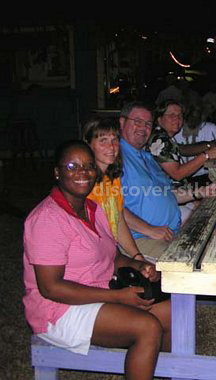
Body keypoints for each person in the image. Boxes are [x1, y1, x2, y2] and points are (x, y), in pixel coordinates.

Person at [23, 140, 171, 379]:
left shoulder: (93, 209)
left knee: (169, 312)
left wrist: (139, 265)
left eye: (89, 166)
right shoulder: (47, 219)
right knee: (147, 326)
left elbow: (113, 256)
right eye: (73, 165)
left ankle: (158, 368)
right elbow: (51, 288)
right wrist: (118, 297)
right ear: (57, 173)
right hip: (59, 311)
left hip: (99, 291)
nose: (83, 172)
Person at [119, 101, 215, 260]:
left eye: (148, 123)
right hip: (142, 238)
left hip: (171, 232)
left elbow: (168, 193)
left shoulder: (147, 157)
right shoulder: (116, 157)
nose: (143, 128)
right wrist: (150, 230)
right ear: (122, 122)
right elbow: (112, 208)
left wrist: (202, 192)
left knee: (215, 241)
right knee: (196, 263)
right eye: (137, 122)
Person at [82, 116, 146, 261]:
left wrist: (137, 256)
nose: (111, 147)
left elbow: (119, 220)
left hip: (113, 250)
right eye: (103, 140)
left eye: (114, 140)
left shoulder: (112, 178)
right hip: (95, 256)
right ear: (89, 145)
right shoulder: (84, 184)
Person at [173, 99, 216, 187]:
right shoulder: (176, 129)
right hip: (181, 178)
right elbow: (181, 149)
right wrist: (209, 145)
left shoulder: (209, 128)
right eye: (190, 116)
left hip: (204, 177)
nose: (193, 120)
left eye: (196, 116)